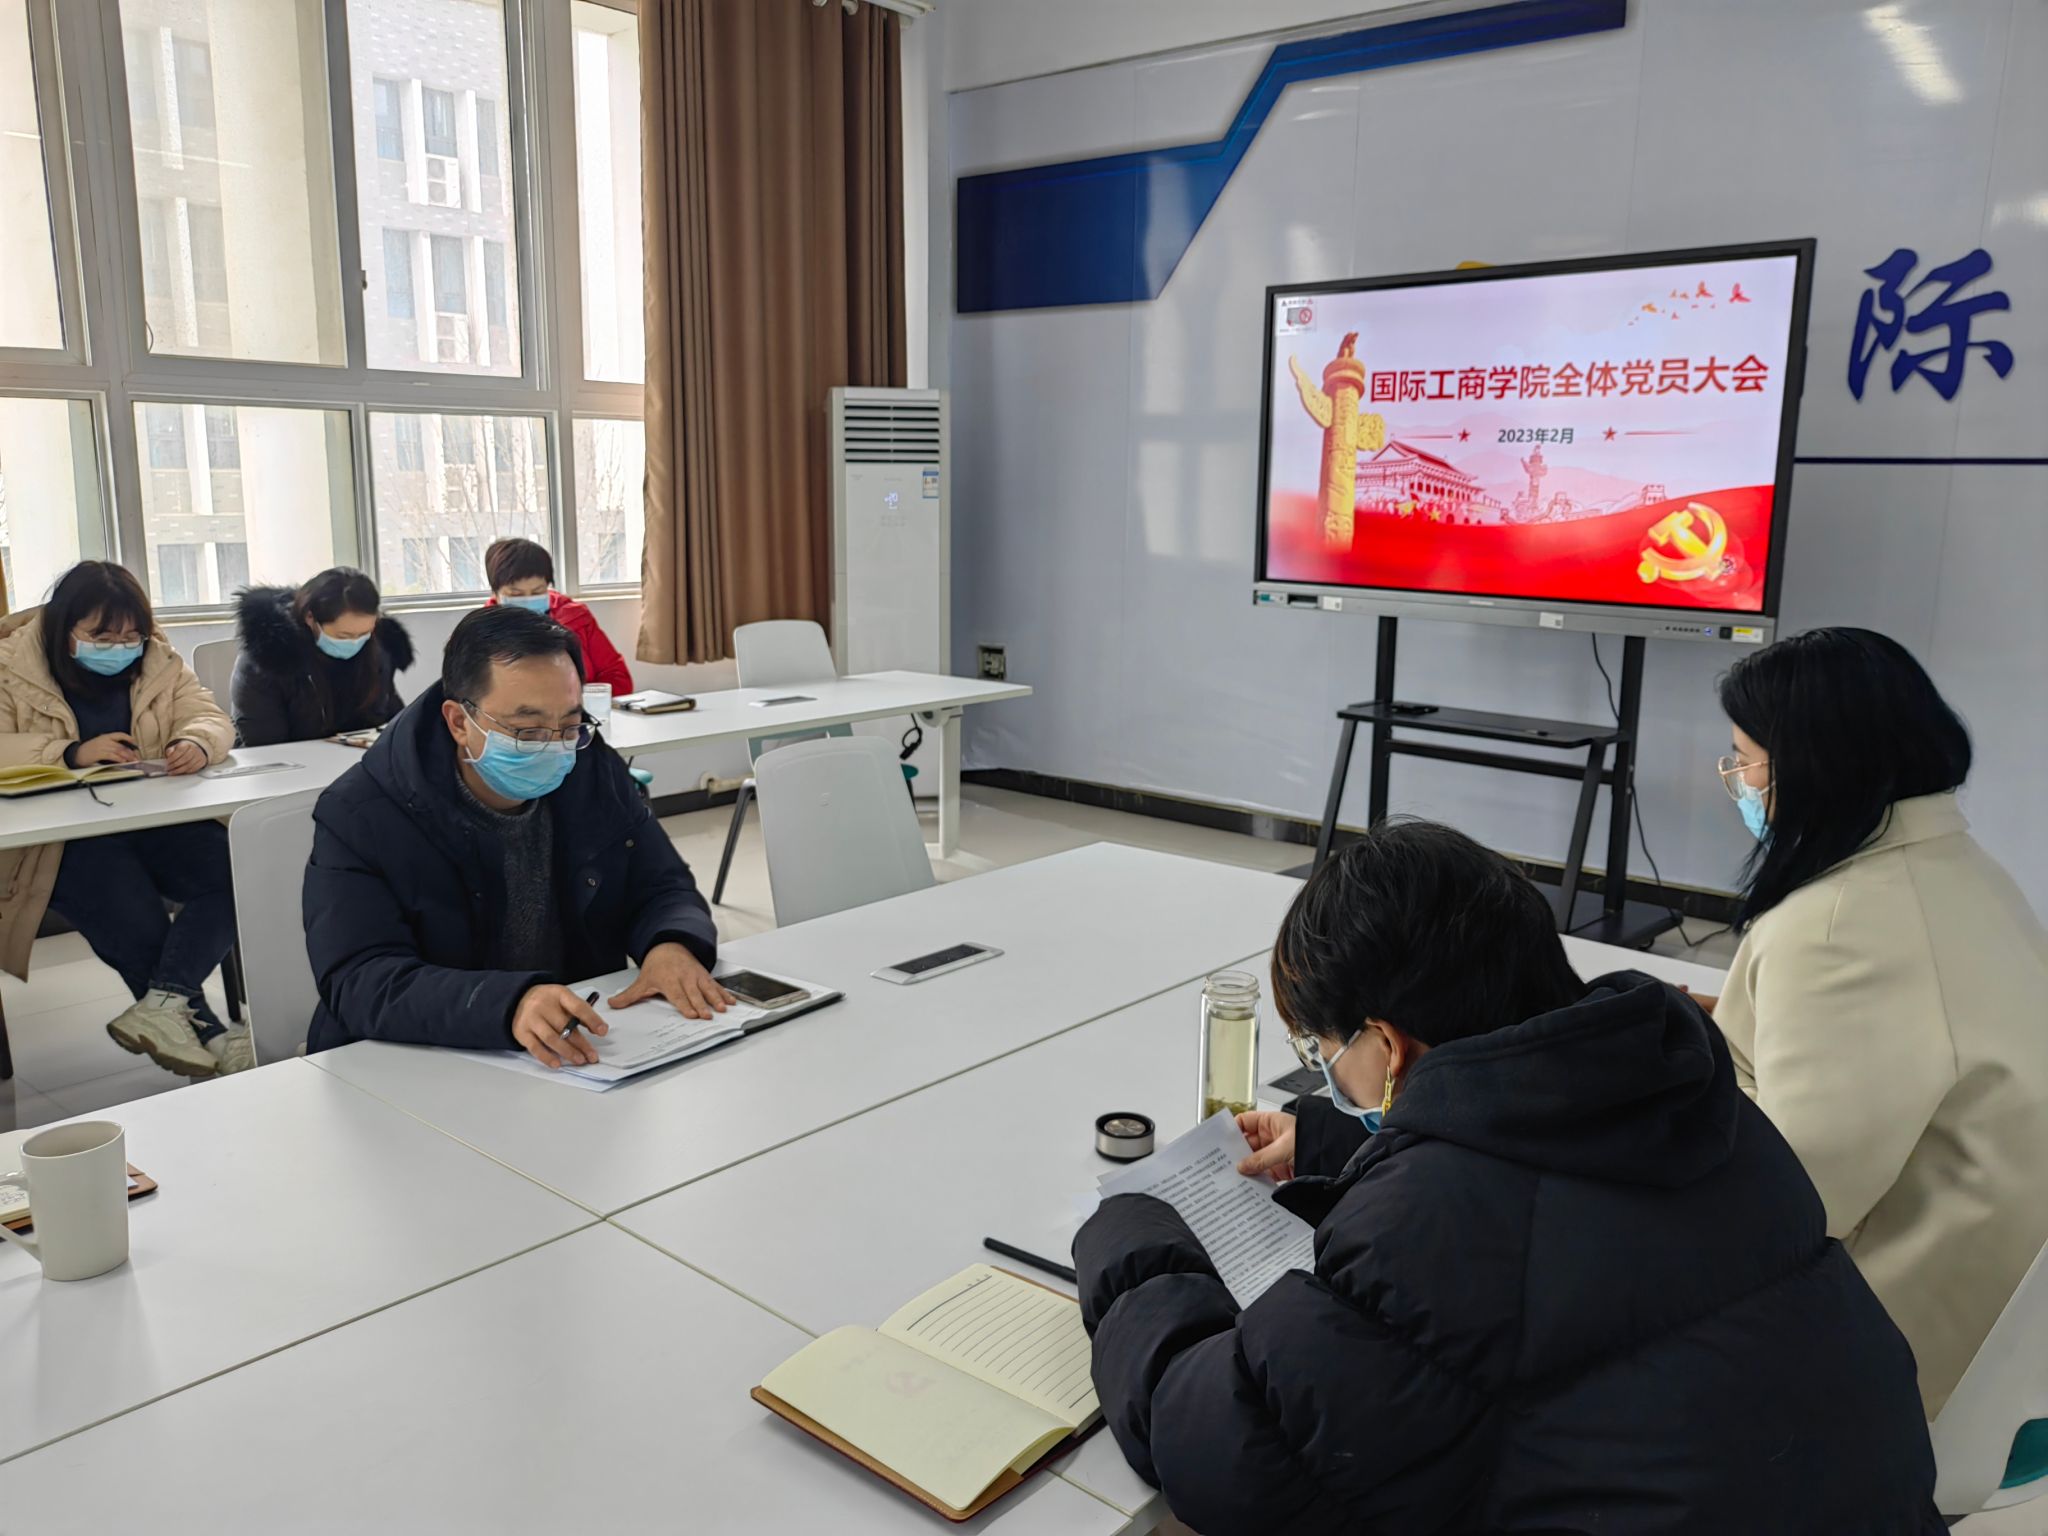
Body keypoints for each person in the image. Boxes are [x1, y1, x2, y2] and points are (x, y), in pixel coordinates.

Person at [1074, 821, 1943, 1535]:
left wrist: (1138, 1235)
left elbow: (1227, 1448)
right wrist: (1343, 1138)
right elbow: (1548, 1186)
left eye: (1324, 1052)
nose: (1325, 1072)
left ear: (1391, 1044)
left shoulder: (1432, 1229)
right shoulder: (1698, 1104)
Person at [1711, 627, 2048, 1416]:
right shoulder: (1962, 870)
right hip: (1997, 1331)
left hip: (1895, 1354)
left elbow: (1786, 1204)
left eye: (1744, 760)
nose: (1736, 781)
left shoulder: (1839, 928)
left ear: (1813, 768)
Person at [303, 604, 723, 1062]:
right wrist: (508, 1003)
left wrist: (670, 942)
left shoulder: (589, 766)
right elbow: (361, 979)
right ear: (459, 722)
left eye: (569, 723)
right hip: (414, 1062)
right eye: (527, 731)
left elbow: (662, 883)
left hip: (571, 1053)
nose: (555, 746)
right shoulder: (361, 812)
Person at [0, 561, 251, 1077]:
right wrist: (69, 752)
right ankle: (206, 1029)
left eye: (130, 635)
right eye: (101, 636)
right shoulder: (10, 666)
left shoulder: (158, 659)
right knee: (125, 902)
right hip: (60, 839)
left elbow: (207, 714)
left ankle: (163, 1010)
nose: (120, 647)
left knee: (237, 868)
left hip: (151, 817)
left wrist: (196, 743)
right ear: (62, 628)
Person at [230, 567, 414, 746]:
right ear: (311, 618)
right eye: (344, 636)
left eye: (364, 633)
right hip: (290, 766)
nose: (355, 642)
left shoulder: (378, 648)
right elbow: (265, 744)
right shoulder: (267, 659)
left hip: (356, 764)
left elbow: (392, 721)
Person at [482, 536, 633, 696]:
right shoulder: (480, 632)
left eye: (537, 591)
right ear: (495, 593)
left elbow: (618, 677)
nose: (528, 598)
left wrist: (577, 702)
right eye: (515, 593)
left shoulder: (576, 618)